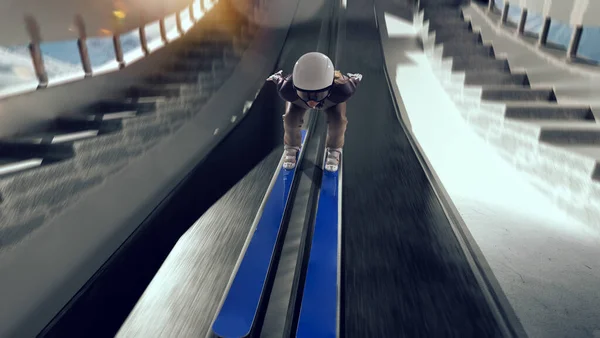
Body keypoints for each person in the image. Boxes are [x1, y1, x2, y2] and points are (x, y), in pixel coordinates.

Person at [266, 52, 362, 172]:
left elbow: (353, 80)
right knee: (291, 119)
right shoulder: (287, 89)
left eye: (317, 94)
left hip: (321, 100)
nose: (311, 102)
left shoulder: (343, 88)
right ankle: (291, 146)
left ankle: (334, 148)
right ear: (295, 87)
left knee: (338, 121)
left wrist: (355, 78)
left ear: (331, 86)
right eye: (305, 93)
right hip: (323, 98)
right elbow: (354, 79)